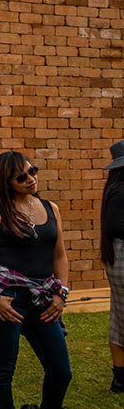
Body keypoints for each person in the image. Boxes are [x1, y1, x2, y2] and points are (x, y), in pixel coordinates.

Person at [0, 151, 71, 409]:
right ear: (6, 182)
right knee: (4, 370)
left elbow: (60, 256)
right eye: (21, 177)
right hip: (8, 299)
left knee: (61, 372)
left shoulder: (51, 208)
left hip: (44, 299)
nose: (30, 179)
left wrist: (61, 294)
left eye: (32, 171)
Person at [102, 139, 124, 393]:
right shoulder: (120, 190)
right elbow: (117, 226)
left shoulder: (116, 188)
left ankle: (120, 377)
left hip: (119, 259)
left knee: (118, 320)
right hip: (122, 258)